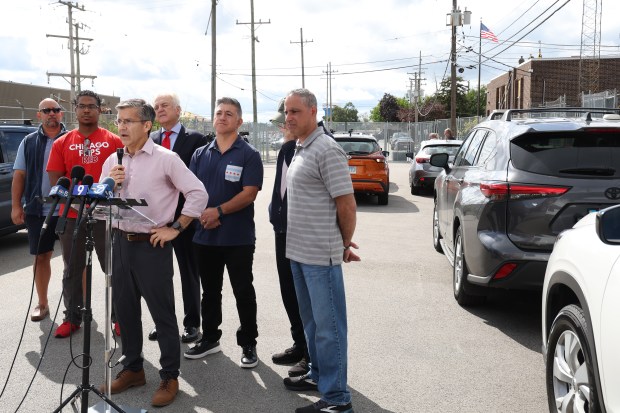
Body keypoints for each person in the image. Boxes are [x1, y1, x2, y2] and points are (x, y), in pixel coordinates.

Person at [99, 99, 208, 407]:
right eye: (119, 121)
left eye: (128, 121)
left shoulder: (166, 159)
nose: (121, 126)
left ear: (147, 126)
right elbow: (98, 197)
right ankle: (133, 368)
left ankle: (169, 375)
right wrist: (109, 184)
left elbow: (198, 193)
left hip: (152, 245)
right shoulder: (113, 159)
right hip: (119, 242)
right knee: (125, 311)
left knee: (162, 315)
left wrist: (177, 226)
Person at [282, 88, 359, 413]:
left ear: (313, 112)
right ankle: (317, 375)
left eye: (295, 111)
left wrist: (343, 244)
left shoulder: (327, 149)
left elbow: (346, 203)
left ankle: (338, 399)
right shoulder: (301, 147)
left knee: (329, 330)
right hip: (299, 254)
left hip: (320, 257)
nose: (289, 118)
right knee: (312, 324)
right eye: (287, 112)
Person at [185, 97, 263, 369]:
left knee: (243, 290)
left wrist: (217, 211)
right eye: (219, 113)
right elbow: (191, 191)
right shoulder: (200, 154)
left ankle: (248, 343)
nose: (222, 117)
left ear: (239, 122)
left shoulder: (249, 155)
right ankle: (210, 339)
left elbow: (249, 193)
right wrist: (204, 214)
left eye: (229, 114)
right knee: (210, 292)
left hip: (238, 238)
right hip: (204, 236)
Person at [47, 90, 124, 338]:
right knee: (72, 269)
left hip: (106, 216)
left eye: (92, 106)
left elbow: (124, 178)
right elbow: (57, 179)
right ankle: (72, 318)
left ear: (100, 110)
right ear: (75, 109)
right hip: (71, 216)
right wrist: (75, 206)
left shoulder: (114, 141)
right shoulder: (62, 142)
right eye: (82, 106)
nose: (87, 110)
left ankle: (120, 318)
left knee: (114, 269)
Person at [147, 93, 208, 344]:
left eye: (165, 106)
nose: (159, 110)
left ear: (178, 110)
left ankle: (192, 324)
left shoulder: (195, 139)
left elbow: (198, 179)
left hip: (184, 220)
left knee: (189, 273)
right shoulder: (150, 139)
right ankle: (164, 323)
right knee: (158, 277)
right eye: (156, 107)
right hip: (156, 218)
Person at [11, 98, 66, 322]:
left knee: (74, 260)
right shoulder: (28, 141)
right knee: (41, 257)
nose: (51, 113)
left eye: (56, 110)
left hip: (67, 210)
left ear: (61, 114)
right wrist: (16, 206)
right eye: (47, 110)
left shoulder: (73, 139)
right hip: (37, 209)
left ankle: (77, 306)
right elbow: (19, 175)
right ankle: (42, 304)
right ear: (39, 115)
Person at [268, 99, 310, 377]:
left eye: (289, 118)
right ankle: (300, 343)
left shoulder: (319, 147)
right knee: (288, 291)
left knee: (307, 296)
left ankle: (311, 355)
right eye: (283, 120)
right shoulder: (287, 149)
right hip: (283, 231)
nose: (284, 125)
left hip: (306, 234)